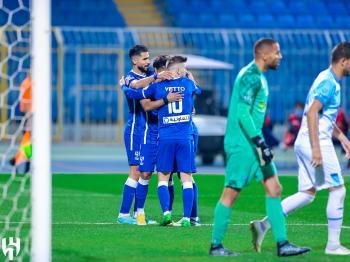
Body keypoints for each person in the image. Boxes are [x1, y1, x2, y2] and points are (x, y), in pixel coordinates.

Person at [209, 38, 310, 257]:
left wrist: (259, 143)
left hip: (254, 144)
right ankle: (216, 245)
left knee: (275, 188)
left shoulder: (260, 78)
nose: (280, 57)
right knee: (231, 192)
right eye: (277, 52)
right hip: (243, 145)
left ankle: (282, 244)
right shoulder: (250, 76)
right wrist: (259, 142)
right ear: (264, 55)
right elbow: (243, 113)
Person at [250, 42, 350, 256]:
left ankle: (263, 225)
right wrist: (316, 149)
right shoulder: (329, 83)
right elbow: (313, 113)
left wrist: (341, 137)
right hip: (316, 143)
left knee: (307, 193)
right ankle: (333, 245)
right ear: (344, 61)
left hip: (305, 140)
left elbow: (323, 116)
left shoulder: (325, 78)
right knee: (338, 189)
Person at [116, 45, 173, 224]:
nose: (148, 62)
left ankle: (138, 214)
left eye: (149, 58)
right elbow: (136, 87)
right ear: (135, 60)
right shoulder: (130, 78)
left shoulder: (148, 77)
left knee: (146, 173)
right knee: (135, 171)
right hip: (136, 130)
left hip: (150, 130)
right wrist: (156, 77)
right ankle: (123, 215)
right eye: (145, 59)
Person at [140, 55, 198, 227]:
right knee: (186, 179)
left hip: (165, 138)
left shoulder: (158, 87)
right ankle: (187, 218)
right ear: (179, 69)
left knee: (163, 179)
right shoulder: (188, 84)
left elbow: (139, 93)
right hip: (184, 138)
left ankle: (166, 213)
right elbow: (196, 89)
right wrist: (187, 76)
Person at [9, 73, 32, 174]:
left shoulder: (28, 83)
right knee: (28, 142)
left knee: (28, 142)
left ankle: (23, 163)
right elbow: (26, 103)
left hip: (30, 115)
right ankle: (18, 161)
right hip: (29, 116)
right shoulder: (28, 84)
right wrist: (28, 118)